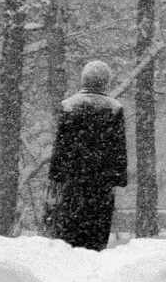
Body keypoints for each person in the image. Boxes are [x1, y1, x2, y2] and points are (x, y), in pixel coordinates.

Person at [45, 60, 128, 251]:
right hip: (101, 183)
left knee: (71, 229)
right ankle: (93, 254)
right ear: (105, 81)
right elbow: (118, 149)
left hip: (73, 181)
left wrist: (57, 175)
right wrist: (118, 177)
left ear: (84, 79)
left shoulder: (69, 106)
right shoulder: (114, 109)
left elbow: (61, 145)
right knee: (97, 229)